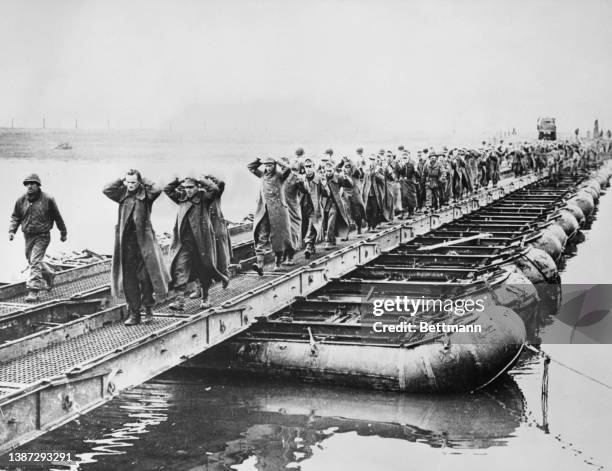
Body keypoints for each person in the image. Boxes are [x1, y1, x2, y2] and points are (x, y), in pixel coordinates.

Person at [103, 170, 170, 325]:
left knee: (146, 279)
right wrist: (121, 180)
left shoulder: (146, 196)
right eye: (129, 182)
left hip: (144, 245)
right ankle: (134, 314)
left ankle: (148, 310)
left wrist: (142, 179)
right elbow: (107, 189)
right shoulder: (122, 194)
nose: (131, 185)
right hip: (126, 246)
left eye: (134, 182)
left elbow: (157, 189)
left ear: (139, 182)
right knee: (129, 281)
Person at [165, 176, 229, 310]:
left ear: (197, 187)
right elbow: (167, 189)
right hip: (184, 243)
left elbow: (215, 189)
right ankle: (180, 301)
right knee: (179, 269)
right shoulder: (181, 198)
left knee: (204, 270)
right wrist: (176, 180)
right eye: (186, 187)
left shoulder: (204, 198)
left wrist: (202, 180)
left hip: (201, 243)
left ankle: (206, 298)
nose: (187, 190)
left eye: (191, 187)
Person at [9, 174, 67, 302]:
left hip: (43, 235)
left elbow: (57, 216)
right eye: (27, 184)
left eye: (32, 183)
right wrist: (12, 231)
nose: (29, 186)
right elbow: (15, 217)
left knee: (35, 260)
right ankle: (49, 274)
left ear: (38, 185)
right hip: (28, 236)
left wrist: (63, 232)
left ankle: (33, 291)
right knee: (32, 260)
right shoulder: (21, 200)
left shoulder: (48, 199)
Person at [247, 157, 293, 275]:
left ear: (274, 165)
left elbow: (288, 168)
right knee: (262, 236)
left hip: (278, 212)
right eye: (266, 165)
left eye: (270, 165)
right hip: (264, 211)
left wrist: (278, 160)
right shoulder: (262, 175)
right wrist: (257, 160)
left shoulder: (279, 176)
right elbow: (250, 167)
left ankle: (278, 263)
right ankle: (260, 264)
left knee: (278, 238)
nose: (268, 167)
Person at [321, 162, 353, 248]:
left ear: (333, 170)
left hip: (335, 204)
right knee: (326, 223)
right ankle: (333, 239)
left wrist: (345, 177)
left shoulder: (338, 177)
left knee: (331, 222)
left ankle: (329, 241)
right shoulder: (322, 178)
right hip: (324, 204)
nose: (328, 172)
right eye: (327, 170)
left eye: (330, 170)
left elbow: (350, 185)